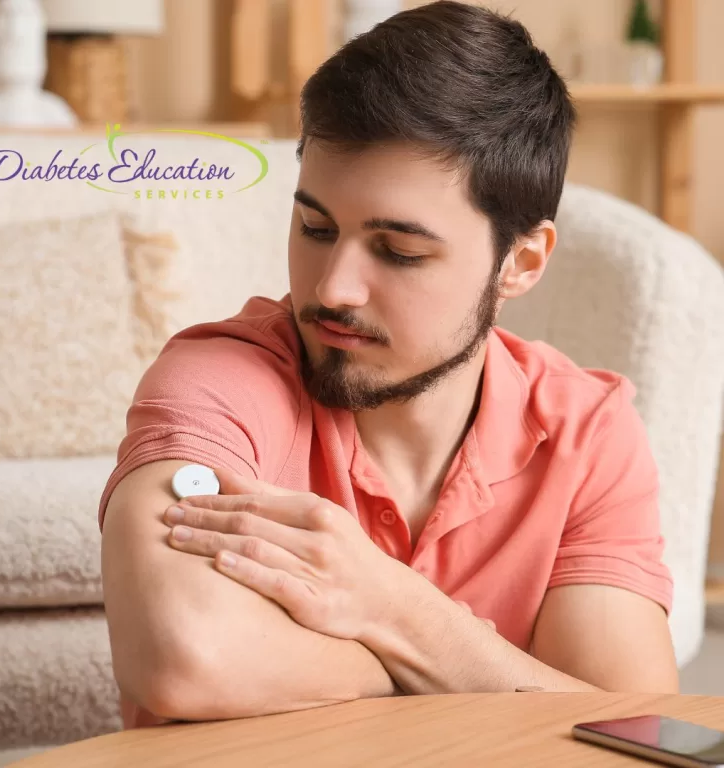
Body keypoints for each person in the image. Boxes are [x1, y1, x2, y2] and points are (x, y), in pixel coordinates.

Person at [98, 0, 679, 729]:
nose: (333, 288)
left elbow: (637, 733)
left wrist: (392, 605)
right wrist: (452, 666)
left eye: (399, 251)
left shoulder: (586, 432)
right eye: (316, 228)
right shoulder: (220, 382)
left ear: (521, 262)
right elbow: (184, 661)